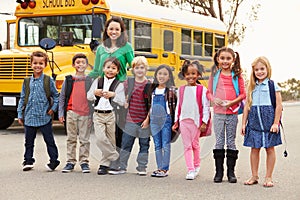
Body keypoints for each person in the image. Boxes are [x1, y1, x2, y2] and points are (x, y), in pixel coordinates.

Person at [242, 56, 282, 187]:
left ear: (267, 69)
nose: (259, 72)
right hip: (254, 124)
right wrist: (243, 124)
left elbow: (279, 106)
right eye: (256, 70)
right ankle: (254, 176)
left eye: (262, 69)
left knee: (270, 149)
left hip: (269, 123)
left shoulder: (272, 85)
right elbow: (247, 107)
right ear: (253, 71)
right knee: (254, 149)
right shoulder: (251, 86)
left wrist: (276, 123)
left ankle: (268, 177)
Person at [207, 46, 246, 183]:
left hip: (232, 113)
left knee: (231, 141)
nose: (225, 61)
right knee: (219, 141)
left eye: (228, 58)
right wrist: (214, 99)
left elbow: (243, 94)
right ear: (218, 59)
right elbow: (209, 93)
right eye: (222, 58)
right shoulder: (214, 76)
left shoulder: (237, 76)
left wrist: (231, 103)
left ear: (233, 60)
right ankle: (219, 172)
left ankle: (231, 172)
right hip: (218, 113)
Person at [17, 51, 60, 171]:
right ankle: (28, 161)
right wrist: (20, 114)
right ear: (31, 64)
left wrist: (53, 109)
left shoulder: (48, 80)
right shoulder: (26, 81)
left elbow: (56, 96)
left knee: (49, 140)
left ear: (45, 64)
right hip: (29, 117)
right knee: (29, 142)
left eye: (41, 63)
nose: (38, 66)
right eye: (35, 63)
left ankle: (54, 161)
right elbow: (22, 98)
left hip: (44, 116)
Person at [108, 56, 151, 176]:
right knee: (126, 144)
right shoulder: (128, 82)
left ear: (146, 69)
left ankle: (142, 167)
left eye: (142, 68)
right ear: (133, 69)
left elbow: (152, 104)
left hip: (144, 121)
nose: (140, 70)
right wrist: (124, 100)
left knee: (144, 145)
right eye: (137, 68)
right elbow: (118, 93)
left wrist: (148, 119)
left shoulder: (149, 85)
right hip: (130, 120)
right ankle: (122, 166)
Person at [172, 60, 210, 180]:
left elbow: (206, 107)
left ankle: (197, 165)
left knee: (195, 145)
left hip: (196, 122)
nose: (191, 76)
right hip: (184, 121)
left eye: (193, 74)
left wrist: (204, 122)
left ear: (198, 74)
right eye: (188, 74)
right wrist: (176, 121)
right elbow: (179, 106)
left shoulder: (202, 90)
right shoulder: (181, 90)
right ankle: (190, 169)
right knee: (187, 146)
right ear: (184, 75)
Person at [87, 57, 125, 175]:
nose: (110, 70)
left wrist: (113, 95)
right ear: (103, 69)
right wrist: (95, 93)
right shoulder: (97, 82)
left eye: (113, 68)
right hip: (98, 114)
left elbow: (122, 101)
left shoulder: (119, 85)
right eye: (108, 67)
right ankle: (115, 157)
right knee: (100, 138)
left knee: (110, 140)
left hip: (111, 114)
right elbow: (88, 96)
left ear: (117, 71)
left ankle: (104, 164)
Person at [58, 53, 93, 173]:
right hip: (71, 112)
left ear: (87, 65)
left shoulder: (89, 80)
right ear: (73, 65)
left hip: (85, 114)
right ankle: (70, 162)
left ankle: (84, 162)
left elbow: (93, 99)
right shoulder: (69, 80)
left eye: (83, 62)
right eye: (78, 62)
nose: (80, 65)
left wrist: (91, 116)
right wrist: (61, 113)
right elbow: (62, 97)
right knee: (71, 139)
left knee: (84, 139)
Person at [149, 64, 177, 178]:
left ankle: (164, 169)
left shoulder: (171, 90)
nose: (162, 76)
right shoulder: (152, 89)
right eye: (160, 74)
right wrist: (147, 120)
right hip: (154, 120)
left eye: (165, 74)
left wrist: (176, 121)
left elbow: (175, 106)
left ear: (169, 77)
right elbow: (149, 106)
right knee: (157, 144)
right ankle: (159, 167)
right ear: (156, 75)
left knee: (165, 144)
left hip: (166, 120)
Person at [89, 16, 134, 82]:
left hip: (120, 86)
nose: (114, 32)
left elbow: (134, 67)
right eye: (111, 29)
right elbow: (96, 71)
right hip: (103, 87)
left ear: (121, 31)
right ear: (107, 30)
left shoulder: (127, 47)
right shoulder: (100, 48)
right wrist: (82, 78)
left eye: (117, 29)